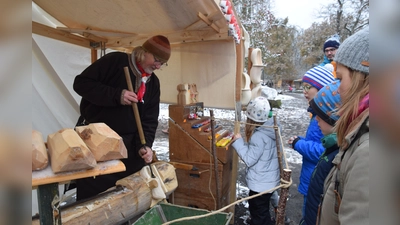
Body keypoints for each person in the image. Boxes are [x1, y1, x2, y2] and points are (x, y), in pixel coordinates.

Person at [73, 35, 171, 200]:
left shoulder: (153, 83)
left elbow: (150, 120)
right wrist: (116, 95)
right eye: (156, 59)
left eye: (162, 63)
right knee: (94, 202)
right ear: (144, 52)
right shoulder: (115, 62)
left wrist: (145, 144)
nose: (158, 66)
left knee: (126, 201)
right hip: (98, 144)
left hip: (129, 151)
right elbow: (81, 83)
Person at [319, 27, 369, 225]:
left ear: (361, 78)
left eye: (340, 78)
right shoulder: (360, 136)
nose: (337, 89)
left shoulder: (371, 152)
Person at [287, 65, 334, 217]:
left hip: (317, 181)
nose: (304, 91)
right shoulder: (316, 114)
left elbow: (325, 151)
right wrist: (301, 140)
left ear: (322, 89)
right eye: (303, 86)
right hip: (312, 178)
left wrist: (299, 144)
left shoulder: (326, 117)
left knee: (312, 216)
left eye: (309, 87)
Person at [232, 96, 280, 225]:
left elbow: (249, 159)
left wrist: (238, 142)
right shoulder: (271, 129)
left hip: (260, 184)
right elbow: (259, 153)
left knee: (258, 211)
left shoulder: (259, 136)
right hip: (268, 180)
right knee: (261, 209)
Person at [299, 80, 341, 225]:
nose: (316, 119)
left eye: (320, 115)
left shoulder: (336, 152)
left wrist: (299, 144)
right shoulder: (332, 145)